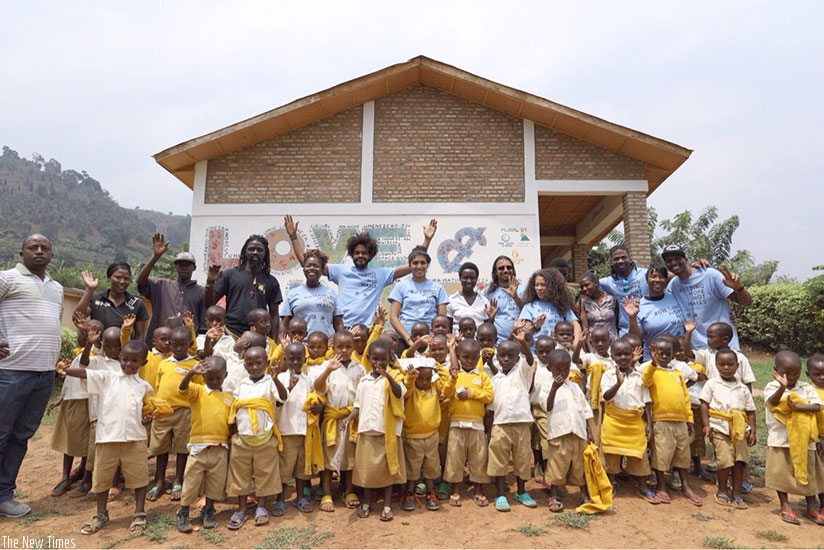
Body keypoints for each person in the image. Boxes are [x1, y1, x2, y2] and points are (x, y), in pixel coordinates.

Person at [57, 338, 155, 535]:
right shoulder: (108, 377)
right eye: (125, 359)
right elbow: (86, 373)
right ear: (120, 358)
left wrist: (147, 419)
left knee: (139, 478)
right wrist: (65, 370)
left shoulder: (144, 386)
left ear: (143, 363)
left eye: (134, 361)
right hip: (107, 438)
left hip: (135, 439)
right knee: (101, 479)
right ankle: (101, 514)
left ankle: (139, 512)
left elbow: (146, 411)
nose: (128, 364)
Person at [0, 234, 63, 518]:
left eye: (44, 248)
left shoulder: (57, 288)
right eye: (33, 247)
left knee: (21, 436)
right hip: (10, 372)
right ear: (21, 251)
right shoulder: (7, 279)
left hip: (44, 375)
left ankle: (4, 495)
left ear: (51, 254)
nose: (39, 251)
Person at [285, 215, 437, 326]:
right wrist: (293, 237)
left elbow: (415, 264)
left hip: (367, 330)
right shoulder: (341, 271)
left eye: (364, 253)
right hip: (343, 328)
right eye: (357, 252)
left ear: (370, 255)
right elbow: (308, 263)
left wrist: (427, 240)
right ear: (351, 253)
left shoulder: (380, 275)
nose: (360, 256)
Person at [226, 346, 288, 530]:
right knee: (240, 475)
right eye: (250, 364)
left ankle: (261, 507)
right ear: (244, 366)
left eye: (258, 363)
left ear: (267, 364)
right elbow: (235, 409)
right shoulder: (242, 385)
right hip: (243, 438)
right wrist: (234, 434)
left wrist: (276, 379)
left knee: (265, 473)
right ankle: (242, 508)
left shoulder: (270, 382)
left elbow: (283, 398)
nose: (254, 367)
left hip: (264, 438)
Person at [764, 351, 824, 525]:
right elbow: (773, 403)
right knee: (781, 474)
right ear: (776, 370)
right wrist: (782, 387)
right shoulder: (771, 387)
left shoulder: (805, 388)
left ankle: (811, 507)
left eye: (795, 373)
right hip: (780, 439)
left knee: (809, 475)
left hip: (805, 441)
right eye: (786, 373)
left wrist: (797, 407)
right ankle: (785, 504)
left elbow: (816, 407)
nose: (791, 377)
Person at [641, 337, 703, 507]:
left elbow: (685, 398)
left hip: (681, 421)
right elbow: (645, 381)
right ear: (653, 353)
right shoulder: (651, 371)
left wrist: (689, 418)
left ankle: (685, 485)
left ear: (672, 354)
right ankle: (661, 486)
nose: (663, 356)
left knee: (683, 454)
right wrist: (652, 364)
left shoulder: (677, 373)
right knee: (661, 454)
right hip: (661, 421)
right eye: (659, 353)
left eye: (667, 353)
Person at [309, 331, 366, 512]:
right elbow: (317, 387)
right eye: (339, 347)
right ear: (333, 347)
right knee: (329, 459)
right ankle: (326, 493)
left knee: (350, 459)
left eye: (348, 347)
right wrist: (328, 370)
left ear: (353, 347)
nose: (344, 350)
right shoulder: (327, 365)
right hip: (332, 420)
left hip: (351, 419)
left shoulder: (359, 368)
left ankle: (349, 491)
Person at [350, 340, 406, 521]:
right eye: (375, 359)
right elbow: (357, 405)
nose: (378, 363)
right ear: (368, 358)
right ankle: (367, 502)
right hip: (367, 431)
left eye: (383, 359)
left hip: (386, 432)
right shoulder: (364, 381)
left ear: (390, 358)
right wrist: (349, 418)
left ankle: (387, 505)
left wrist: (387, 376)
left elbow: (399, 393)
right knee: (367, 471)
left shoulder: (395, 378)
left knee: (387, 471)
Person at [175, 356, 233, 533]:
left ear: (225, 375)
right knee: (191, 482)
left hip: (220, 448)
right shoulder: (198, 391)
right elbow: (182, 389)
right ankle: (183, 511)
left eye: (218, 378)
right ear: (204, 377)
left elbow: (231, 423)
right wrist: (191, 373)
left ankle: (209, 510)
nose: (214, 381)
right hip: (198, 447)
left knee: (215, 483)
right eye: (210, 378)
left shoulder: (229, 397)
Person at [662, 245, 751, 351]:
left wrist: (739, 288)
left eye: (677, 258)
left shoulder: (710, 275)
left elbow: (746, 302)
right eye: (669, 260)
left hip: (724, 347)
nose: (673, 263)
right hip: (697, 350)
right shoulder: (673, 286)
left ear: (686, 258)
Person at [698, 349, 757, 510]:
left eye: (730, 364)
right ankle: (722, 489)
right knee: (724, 461)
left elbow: (750, 411)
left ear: (737, 366)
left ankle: (737, 493)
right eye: (722, 364)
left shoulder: (742, 388)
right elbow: (704, 405)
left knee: (740, 462)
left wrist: (753, 431)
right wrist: (706, 425)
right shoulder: (712, 384)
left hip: (740, 430)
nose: (726, 368)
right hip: (720, 428)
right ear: (716, 366)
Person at [600, 339, 657, 503]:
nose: (623, 357)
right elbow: (606, 397)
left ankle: (642, 486)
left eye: (626, 354)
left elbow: (646, 401)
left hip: (634, 421)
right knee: (611, 455)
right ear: (612, 356)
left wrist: (649, 425)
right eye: (618, 354)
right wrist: (618, 383)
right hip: (614, 420)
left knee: (638, 455)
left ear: (633, 355)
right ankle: (610, 483)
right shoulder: (608, 375)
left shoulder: (640, 376)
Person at [485, 331, 537, 512]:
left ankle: (521, 492)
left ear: (517, 358)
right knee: (499, 461)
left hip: (522, 424)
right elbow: (491, 407)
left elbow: (530, 361)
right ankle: (500, 494)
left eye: (511, 356)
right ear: (497, 357)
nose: (506, 359)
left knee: (522, 460)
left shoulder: (522, 373)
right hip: (500, 425)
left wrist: (523, 344)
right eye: (502, 355)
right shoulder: (495, 379)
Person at [147, 326, 198, 502]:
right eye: (174, 344)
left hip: (184, 411)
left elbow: (198, 390)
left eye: (182, 345)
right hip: (163, 411)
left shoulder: (194, 365)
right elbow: (158, 387)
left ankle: (178, 479)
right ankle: (159, 480)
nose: (177, 348)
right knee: (160, 447)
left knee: (182, 448)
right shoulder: (164, 364)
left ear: (189, 344)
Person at [401, 348, 456, 512]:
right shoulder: (411, 391)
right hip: (412, 437)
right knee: (412, 469)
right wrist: (411, 376)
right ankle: (409, 494)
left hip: (432, 435)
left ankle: (431, 494)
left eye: (428, 378)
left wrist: (438, 366)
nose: (425, 382)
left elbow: (447, 390)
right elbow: (407, 386)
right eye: (421, 379)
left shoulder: (434, 387)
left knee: (432, 468)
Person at [442, 339, 493, 507]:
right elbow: (446, 393)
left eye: (472, 357)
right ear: (458, 356)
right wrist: (451, 379)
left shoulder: (482, 376)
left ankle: (479, 489)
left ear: (478, 357)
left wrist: (471, 393)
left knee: (478, 458)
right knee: (455, 458)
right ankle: (455, 489)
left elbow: (489, 396)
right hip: (456, 423)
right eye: (465, 357)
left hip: (476, 425)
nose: (469, 361)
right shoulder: (455, 374)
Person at [543, 349, 593, 513]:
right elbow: (547, 407)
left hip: (578, 433)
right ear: (550, 368)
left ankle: (584, 494)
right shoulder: (546, 385)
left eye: (566, 369)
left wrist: (589, 431)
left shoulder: (575, 387)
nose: (563, 373)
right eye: (558, 369)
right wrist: (554, 389)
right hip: (560, 433)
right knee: (558, 465)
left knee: (580, 465)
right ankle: (554, 494)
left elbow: (584, 409)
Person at [205, 234, 283, 339]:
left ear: (265, 254)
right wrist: (210, 283)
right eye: (251, 249)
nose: (255, 252)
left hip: (258, 336)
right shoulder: (230, 274)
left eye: (259, 250)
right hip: (230, 333)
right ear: (245, 252)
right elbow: (209, 304)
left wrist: (274, 342)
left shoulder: (271, 281)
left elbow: (274, 315)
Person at [137, 233, 205, 345]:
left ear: (194, 268)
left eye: (187, 265)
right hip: (160, 345)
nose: (184, 268)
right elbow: (141, 281)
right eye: (180, 264)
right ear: (175, 267)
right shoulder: (162, 285)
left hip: (186, 346)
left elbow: (202, 323)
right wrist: (155, 256)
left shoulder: (200, 291)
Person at [272, 343, 315, 516]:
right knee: (284, 467)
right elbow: (277, 402)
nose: (295, 362)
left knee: (301, 467)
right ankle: (280, 499)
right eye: (291, 359)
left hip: (304, 430)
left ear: (305, 360)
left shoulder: (308, 380)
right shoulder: (280, 378)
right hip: (286, 430)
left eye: (299, 359)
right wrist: (288, 386)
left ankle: (300, 497)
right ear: (285, 359)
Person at [388, 247, 449, 352]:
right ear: (410, 266)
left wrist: (434, 338)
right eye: (415, 263)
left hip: (431, 340)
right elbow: (393, 317)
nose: (419, 266)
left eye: (422, 263)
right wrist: (408, 339)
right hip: (405, 339)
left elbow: (442, 318)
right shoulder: (400, 287)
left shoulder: (438, 288)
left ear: (427, 265)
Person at [623, 263, 687, 361]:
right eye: (653, 277)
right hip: (654, 360)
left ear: (666, 279)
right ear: (647, 279)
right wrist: (632, 317)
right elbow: (637, 339)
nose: (657, 280)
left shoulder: (674, 295)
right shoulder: (640, 306)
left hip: (679, 358)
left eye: (661, 277)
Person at [74, 265, 150, 342]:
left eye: (126, 279)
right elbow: (77, 318)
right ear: (109, 279)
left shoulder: (137, 304)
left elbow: (140, 335)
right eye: (118, 277)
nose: (122, 281)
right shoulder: (96, 298)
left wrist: (134, 352)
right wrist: (90, 289)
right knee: (94, 323)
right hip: (95, 348)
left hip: (123, 350)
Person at [279, 249, 342, 338]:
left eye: (316, 266)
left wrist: (340, 340)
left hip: (327, 347)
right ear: (304, 269)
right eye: (308, 266)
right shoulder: (293, 294)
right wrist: (282, 344)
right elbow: (284, 325)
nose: (311, 268)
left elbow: (338, 324)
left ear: (322, 269)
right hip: (301, 347)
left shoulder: (331, 293)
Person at [519, 268, 580, 343]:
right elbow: (525, 334)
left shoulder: (561, 305)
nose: (539, 288)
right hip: (538, 351)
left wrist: (575, 343)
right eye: (536, 285)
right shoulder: (529, 307)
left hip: (558, 351)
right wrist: (536, 326)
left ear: (553, 287)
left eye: (543, 285)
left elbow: (575, 325)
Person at [599, 245, 649, 336]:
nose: (620, 261)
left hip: (649, 327)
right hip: (626, 331)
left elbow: (666, 276)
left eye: (624, 257)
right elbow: (586, 284)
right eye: (616, 259)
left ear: (630, 259)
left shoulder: (645, 274)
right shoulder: (609, 282)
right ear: (611, 262)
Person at [483, 255, 525, 345]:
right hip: (497, 343)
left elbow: (527, 313)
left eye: (509, 267)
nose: (505, 270)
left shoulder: (523, 290)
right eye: (501, 268)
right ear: (496, 272)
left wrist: (515, 297)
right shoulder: (487, 292)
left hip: (520, 342)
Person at [446, 262, 492, 336]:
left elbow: (487, 327)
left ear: (476, 279)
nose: (469, 281)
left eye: (472, 278)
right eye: (465, 278)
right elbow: (448, 328)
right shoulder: (451, 300)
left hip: (478, 344)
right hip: (458, 344)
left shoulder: (484, 301)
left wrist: (491, 318)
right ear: (460, 278)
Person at [807, 353, 824, 520]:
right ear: (808, 375)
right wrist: (816, 438)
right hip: (815, 439)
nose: (822, 377)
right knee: (814, 473)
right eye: (817, 374)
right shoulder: (808, 391)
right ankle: (811, 505)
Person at [578, 271, 618, 342]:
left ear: (596, 283)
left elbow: (617, 322)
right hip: (594, 343)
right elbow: (585, 329)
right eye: (582, 287)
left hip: (612, 342)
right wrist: (591, 350)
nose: (584, 289)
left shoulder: (611, 300)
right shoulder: (583, 302)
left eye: (587, 285)